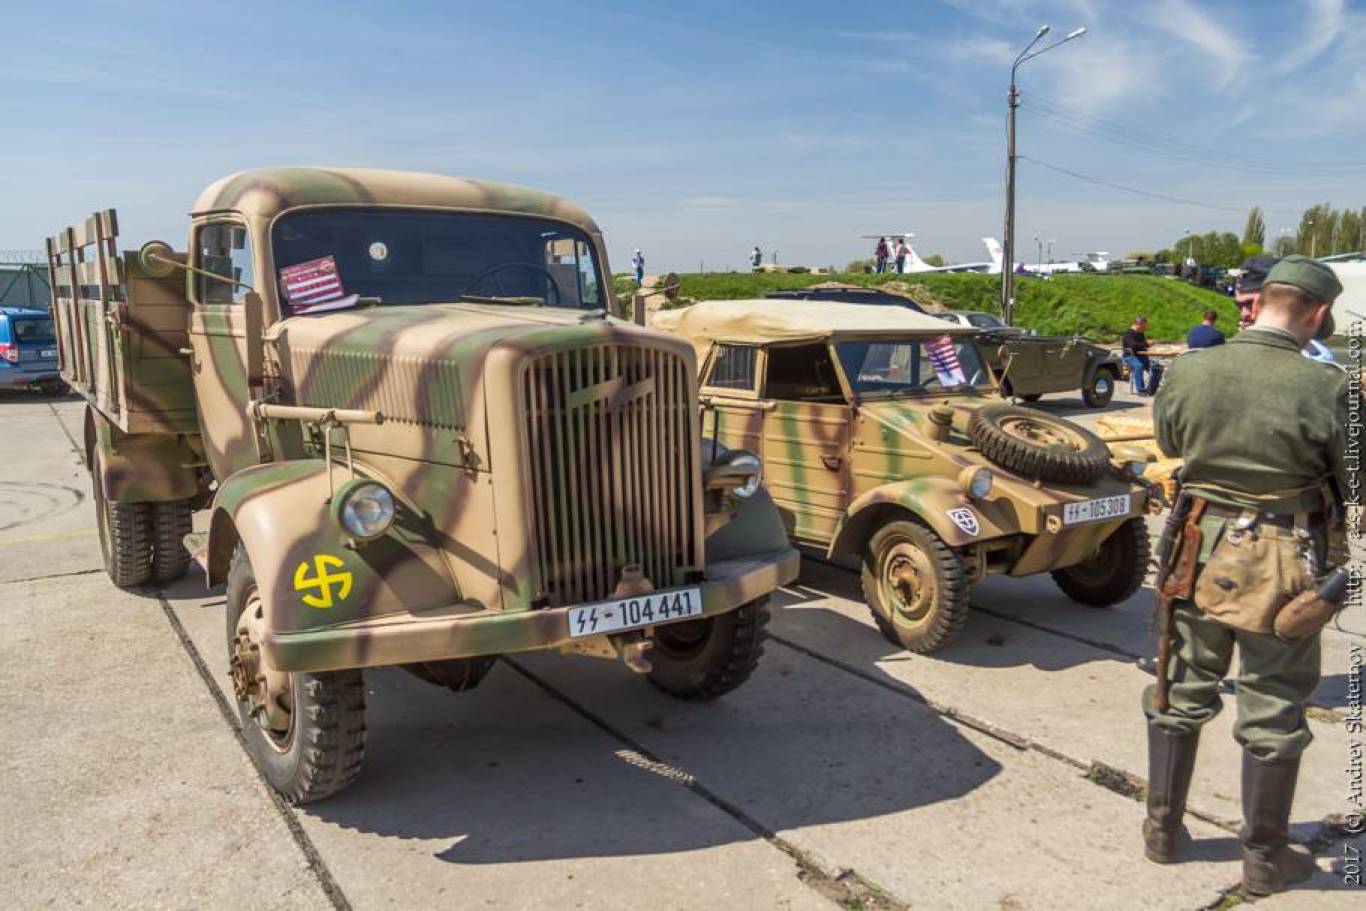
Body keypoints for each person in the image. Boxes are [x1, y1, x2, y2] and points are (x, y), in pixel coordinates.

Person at [1142, 256, 1349, 896]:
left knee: (1179, 687)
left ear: (1259, 304)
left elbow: (1171, 441)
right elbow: (1350, 476)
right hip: (1285, 560)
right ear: (1315, 313)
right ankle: (1264, 859)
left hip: (1194, 549)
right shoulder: (1327, 385)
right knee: (1274, 704)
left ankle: (1163, 833)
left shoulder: (1192, 367)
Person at [1121, 316, 1152, 395]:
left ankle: (1152, 387)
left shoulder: (1140, 333)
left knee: (1156, 367)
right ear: (1139, 324)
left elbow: (1144, 344)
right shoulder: (1128, 334)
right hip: (1130, 356)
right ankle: (1141, 389)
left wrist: (1147, 345)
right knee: (1139, 366)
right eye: (1144, 326)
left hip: (1141, 356)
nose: (1145, 328)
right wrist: (1144, 345)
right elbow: (1133, 346)